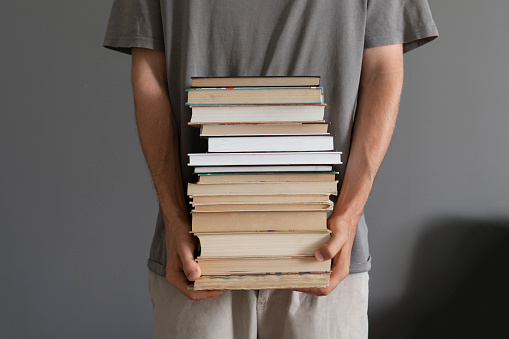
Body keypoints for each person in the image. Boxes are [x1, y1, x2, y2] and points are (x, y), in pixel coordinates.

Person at [104, 1, 437, 337]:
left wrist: (348, 215)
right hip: (196, 250)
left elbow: (383, 69)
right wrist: (175, 218)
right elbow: (149, 73)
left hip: (324, 246)